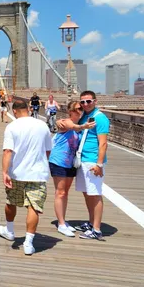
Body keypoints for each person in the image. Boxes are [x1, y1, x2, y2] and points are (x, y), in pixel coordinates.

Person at [0, 99, 52, 255]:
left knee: (11, 202)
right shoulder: (43, 125)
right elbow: (47, 151)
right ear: (28, 108)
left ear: (14, 111)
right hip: (38, 173)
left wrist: (4, 172)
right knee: (34, 207)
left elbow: (8, 151)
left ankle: (9, 231)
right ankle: (28, 243)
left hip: (17, 173)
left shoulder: (12, 127)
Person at [59, 90, 109, 240]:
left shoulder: (100, 118)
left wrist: (99, 165)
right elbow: (68, 123)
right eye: (83, 102)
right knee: (87, 193)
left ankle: (97, 229)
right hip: (82, 159)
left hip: (92, 161)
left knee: (95, 194)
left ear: (95, 101)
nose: (85, 104)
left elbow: (103, 143)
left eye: (88, 101)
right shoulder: (84, 117)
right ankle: (91, 222)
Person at [49, 101, 95, 237]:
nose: (80, 111)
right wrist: (83, 126)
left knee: (65, 192)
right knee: (60, 192)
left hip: (70, 163)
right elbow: (72, 126)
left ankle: (63, 220)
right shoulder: (65, 122)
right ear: (70, 112)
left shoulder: (78, 125)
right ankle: (61, 224)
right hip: (58, 161)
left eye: (81, 109)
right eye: (77, 109)